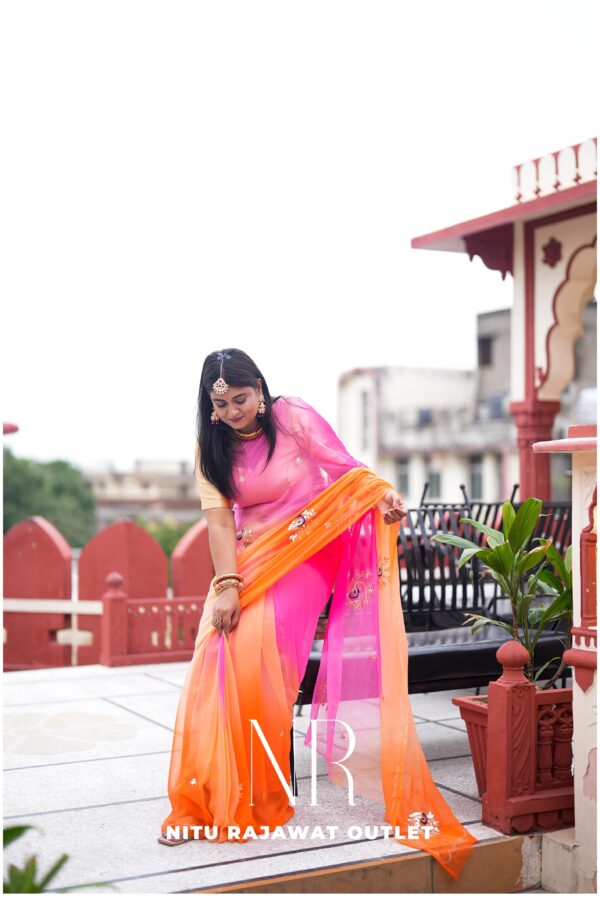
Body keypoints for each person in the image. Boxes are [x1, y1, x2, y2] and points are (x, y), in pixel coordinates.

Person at [159, 348, 477, 880]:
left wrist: (382, 499)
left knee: (259, 647)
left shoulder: (292, 417)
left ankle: (259, 795)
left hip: (307, 553)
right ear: (209, 404)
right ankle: (205, 798)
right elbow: (218, 524)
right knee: (216, 652)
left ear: (259, 388)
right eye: (223, 403)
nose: (234, 411)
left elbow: (344, 469)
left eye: (241, 398)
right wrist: (227, 586)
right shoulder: (209, 446)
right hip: (247, 556)